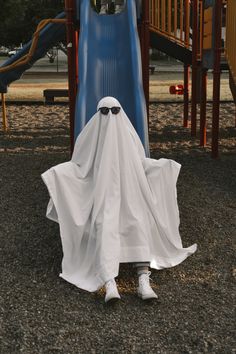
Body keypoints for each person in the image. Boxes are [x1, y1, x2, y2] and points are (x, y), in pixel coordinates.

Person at [41, 96, 197, 304]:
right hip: (101, 201)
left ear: (121, 113)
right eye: (105, 112)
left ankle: (143, 279)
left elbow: (141, 164)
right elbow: (79, 167)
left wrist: (163, 167)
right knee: (105, 226)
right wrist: (59, 175)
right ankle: (109, 282)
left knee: (139, 222)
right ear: (98, 115)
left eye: (115, 111)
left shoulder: (130, 139)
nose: (111, 116)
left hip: (132, 197)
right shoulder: (89, 140)